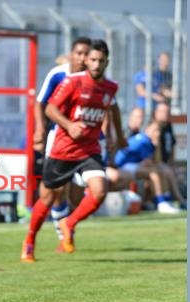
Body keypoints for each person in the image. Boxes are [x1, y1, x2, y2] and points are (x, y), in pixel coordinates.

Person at [22, 40, 119, 262]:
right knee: (49, 197)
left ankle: (69, 224)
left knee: (100, 190)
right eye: (90, 58)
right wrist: (64, 126)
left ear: (106, 62)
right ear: (81, 58)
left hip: (90, 148)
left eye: (99, 60)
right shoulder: (67, 79)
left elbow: (112, 108)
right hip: (62, 147)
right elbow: (47, 106)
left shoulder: (111, 86)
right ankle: (29, 241)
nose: (94, 63)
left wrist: (116, 136)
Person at [114, 121, 181, 213]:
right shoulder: (143, 140)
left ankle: (166, 200)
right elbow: (148, 162)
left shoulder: (148, 141)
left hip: (132, 165)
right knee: (154, 172)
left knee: (159, 170)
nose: (157, 133)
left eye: (158, 131)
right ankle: (161, 203)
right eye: (155, 130)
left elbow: (153, 162)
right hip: (122, 166)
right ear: (147, 129)